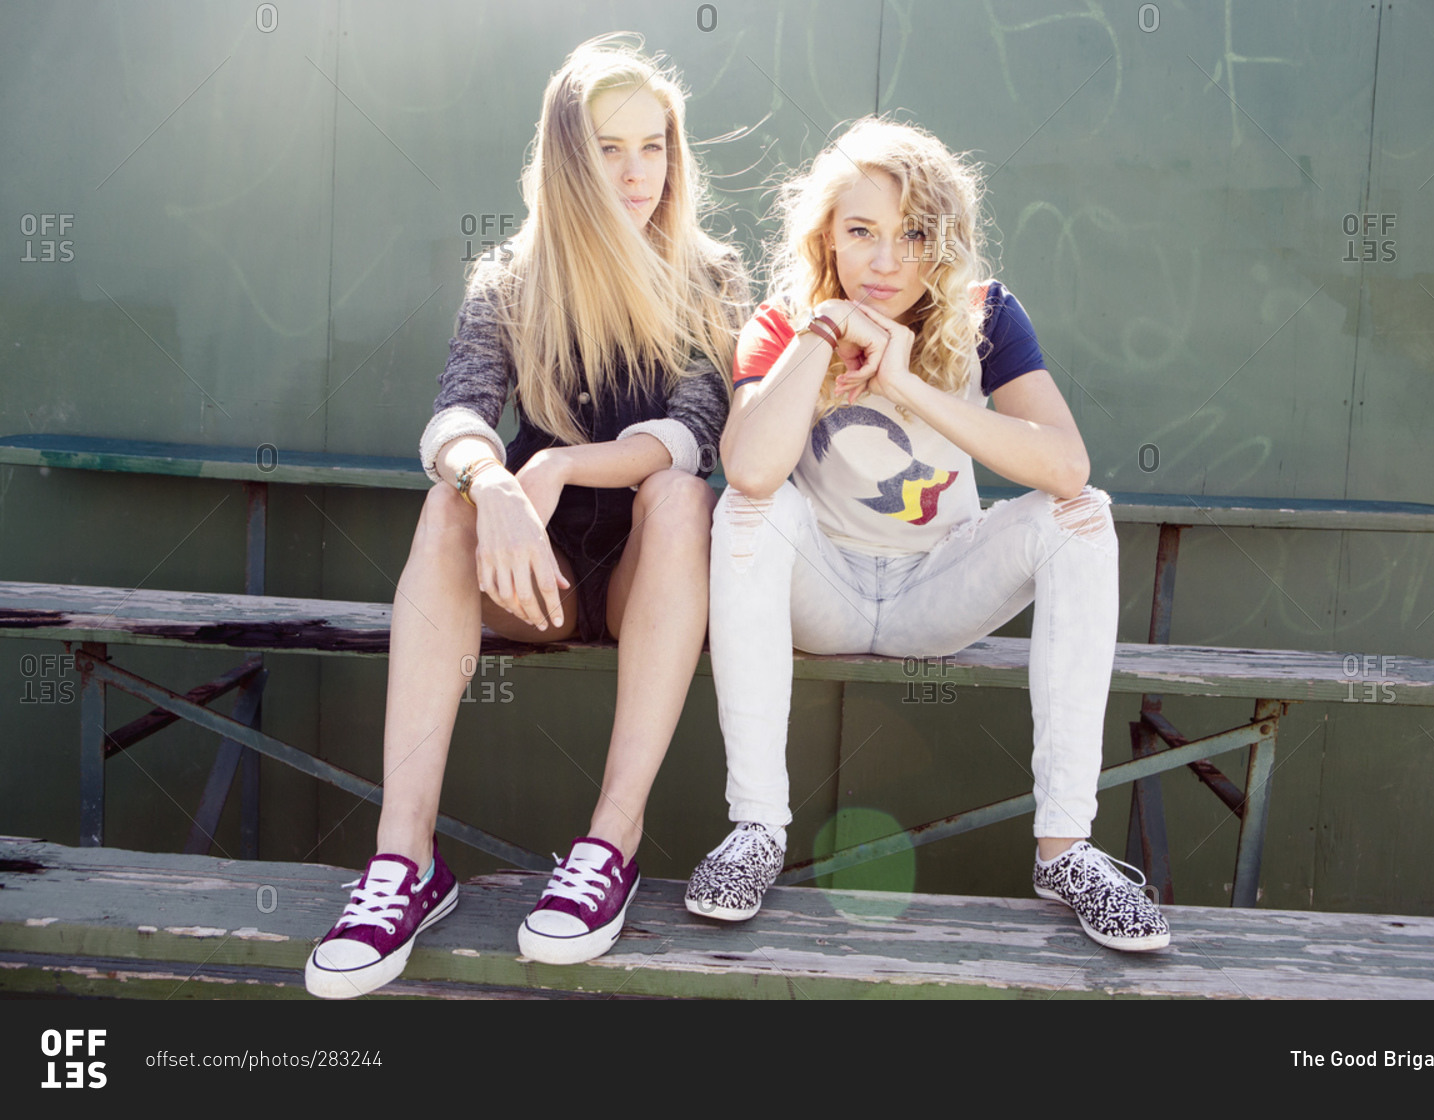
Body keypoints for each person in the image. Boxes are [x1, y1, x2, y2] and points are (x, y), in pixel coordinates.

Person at [304, 35, 747, 997]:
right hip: (533, 576)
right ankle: (404, 861)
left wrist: (553, 463)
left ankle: (610, 843)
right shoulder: (512, 276)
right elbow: (456, 415)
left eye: (654, 146)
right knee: (447, 506)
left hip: (648, 581)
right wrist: (492, 484)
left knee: (681, 497)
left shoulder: (710, 275)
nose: (636, 172)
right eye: (609, 148)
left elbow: (693, 435)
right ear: (566, 157)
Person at [683, 118, 1169, 952]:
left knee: (1083, 517)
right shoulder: (785, 323)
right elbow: (752, 471)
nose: (885, 261)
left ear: (941, 242)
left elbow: (1065, 466)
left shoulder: (987, 316)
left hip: (935, 591)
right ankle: (756, 829)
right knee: (744, 509)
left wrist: (904, 381)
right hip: (825, 590)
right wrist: (824, 332)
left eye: (911, 235)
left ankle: (1065, 848)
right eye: (860, 232)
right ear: (826, 237)